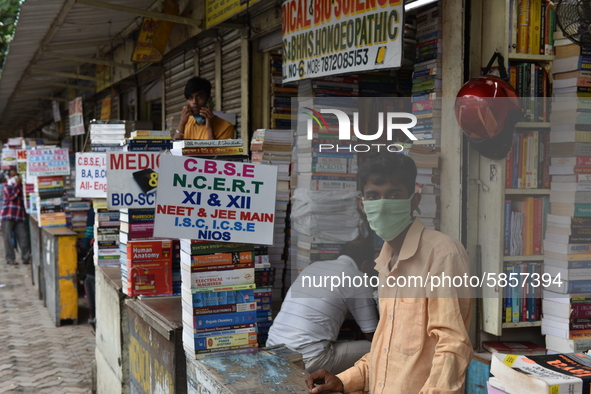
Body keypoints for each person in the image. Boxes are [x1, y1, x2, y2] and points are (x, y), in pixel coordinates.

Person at [307, 152, 473, 394]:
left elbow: (452, 346)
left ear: (413, 201)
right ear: (362, 205)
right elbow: (385, 352)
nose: (383, 204)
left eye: (394, 195)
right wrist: (344, 381)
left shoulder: (443, 253)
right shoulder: (384, 262)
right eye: (374, 196)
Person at [266, 238, 379, 375]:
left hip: (272, 349)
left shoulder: (313, 267)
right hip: (308, 359)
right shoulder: (357, 277)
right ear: (365, 263)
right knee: (377, 348)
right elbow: (371, 333)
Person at [1, 169, 31, 265]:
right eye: (13, 176)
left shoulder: (21, 187)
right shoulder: (7, 185)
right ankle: (10, 259)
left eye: (17, 176)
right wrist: (17, 185)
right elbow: (11, 196)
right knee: (8, 238)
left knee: (23, 237)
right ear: (9, 177)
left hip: (20, 216)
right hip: (8, 215)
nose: (16, 178)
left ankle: (26, 258)